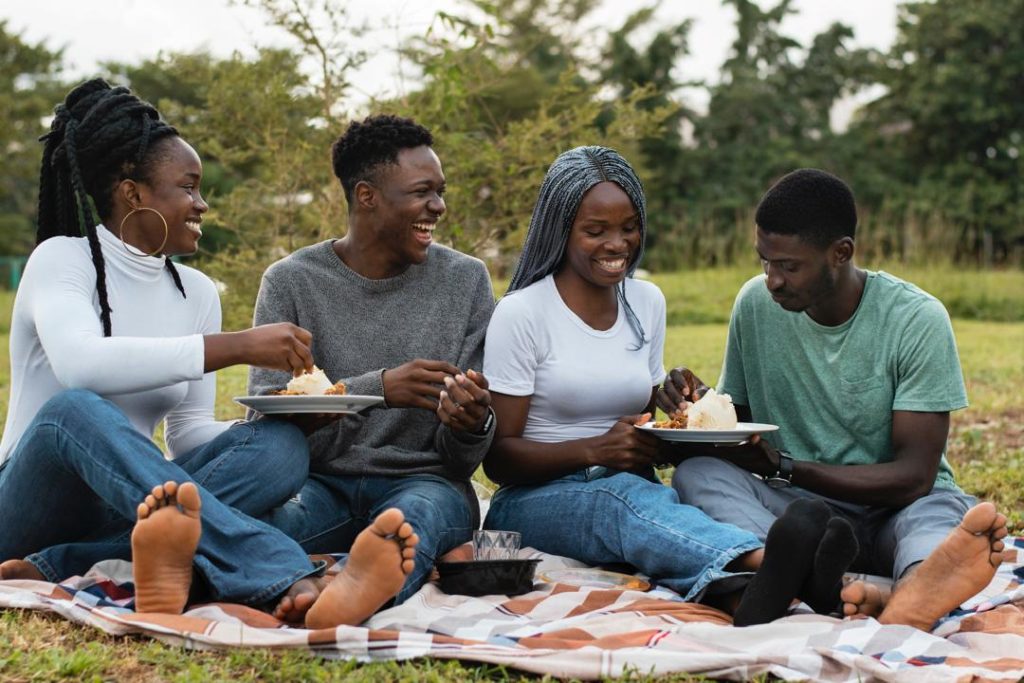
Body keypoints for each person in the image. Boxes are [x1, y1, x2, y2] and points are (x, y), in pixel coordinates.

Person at [0, 79, 419, 629]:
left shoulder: (195, 292)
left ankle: (65, 563)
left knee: (278, 447)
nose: (201, 204)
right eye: (188, 187)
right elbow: (82, 364)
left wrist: (297, 420)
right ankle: (282, 569)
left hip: (127, 501)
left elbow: (189, 433)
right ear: (133, 194)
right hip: (28, 501)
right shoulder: (63, 260)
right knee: (74, 409)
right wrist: (236, 347)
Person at [480, 146, 860, 625]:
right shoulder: (522, 313)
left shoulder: (646, 302)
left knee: (657, 503)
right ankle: (771, 565)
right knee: (621, 504)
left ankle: (746, 597)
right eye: (595, 231)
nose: (617, 244)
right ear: (561, 230)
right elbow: (498, 461)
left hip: (631, 486)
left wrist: (679, 409)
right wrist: (593, 451)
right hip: (532, 502)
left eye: (628, 227)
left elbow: (639, 429)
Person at [659, 168, 1009, 630]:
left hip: (895, 511)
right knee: (700, 473)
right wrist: (700, 408)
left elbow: (913, 478)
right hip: (797, 521)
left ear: (840, 253)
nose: (772, 281)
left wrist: (786, 467)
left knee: (938, 515)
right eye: (765, 261)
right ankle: (812, 574)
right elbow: (740, 432)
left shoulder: (916, 319)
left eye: (788, 266)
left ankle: (917, 585)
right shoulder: (754, 305)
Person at [248, 114, 496, 604]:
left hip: (427, 484)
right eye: (423, 192)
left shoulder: (466, 280)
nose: (439, 206)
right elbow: (265, 426)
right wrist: (378, 388)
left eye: (440, 191)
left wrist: (471, 422)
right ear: (367, 196)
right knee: (264, 528)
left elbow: (463, 457)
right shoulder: (291, 282)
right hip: (320, 484)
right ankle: (318, 585)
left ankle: (350, 590)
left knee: (409, 526)